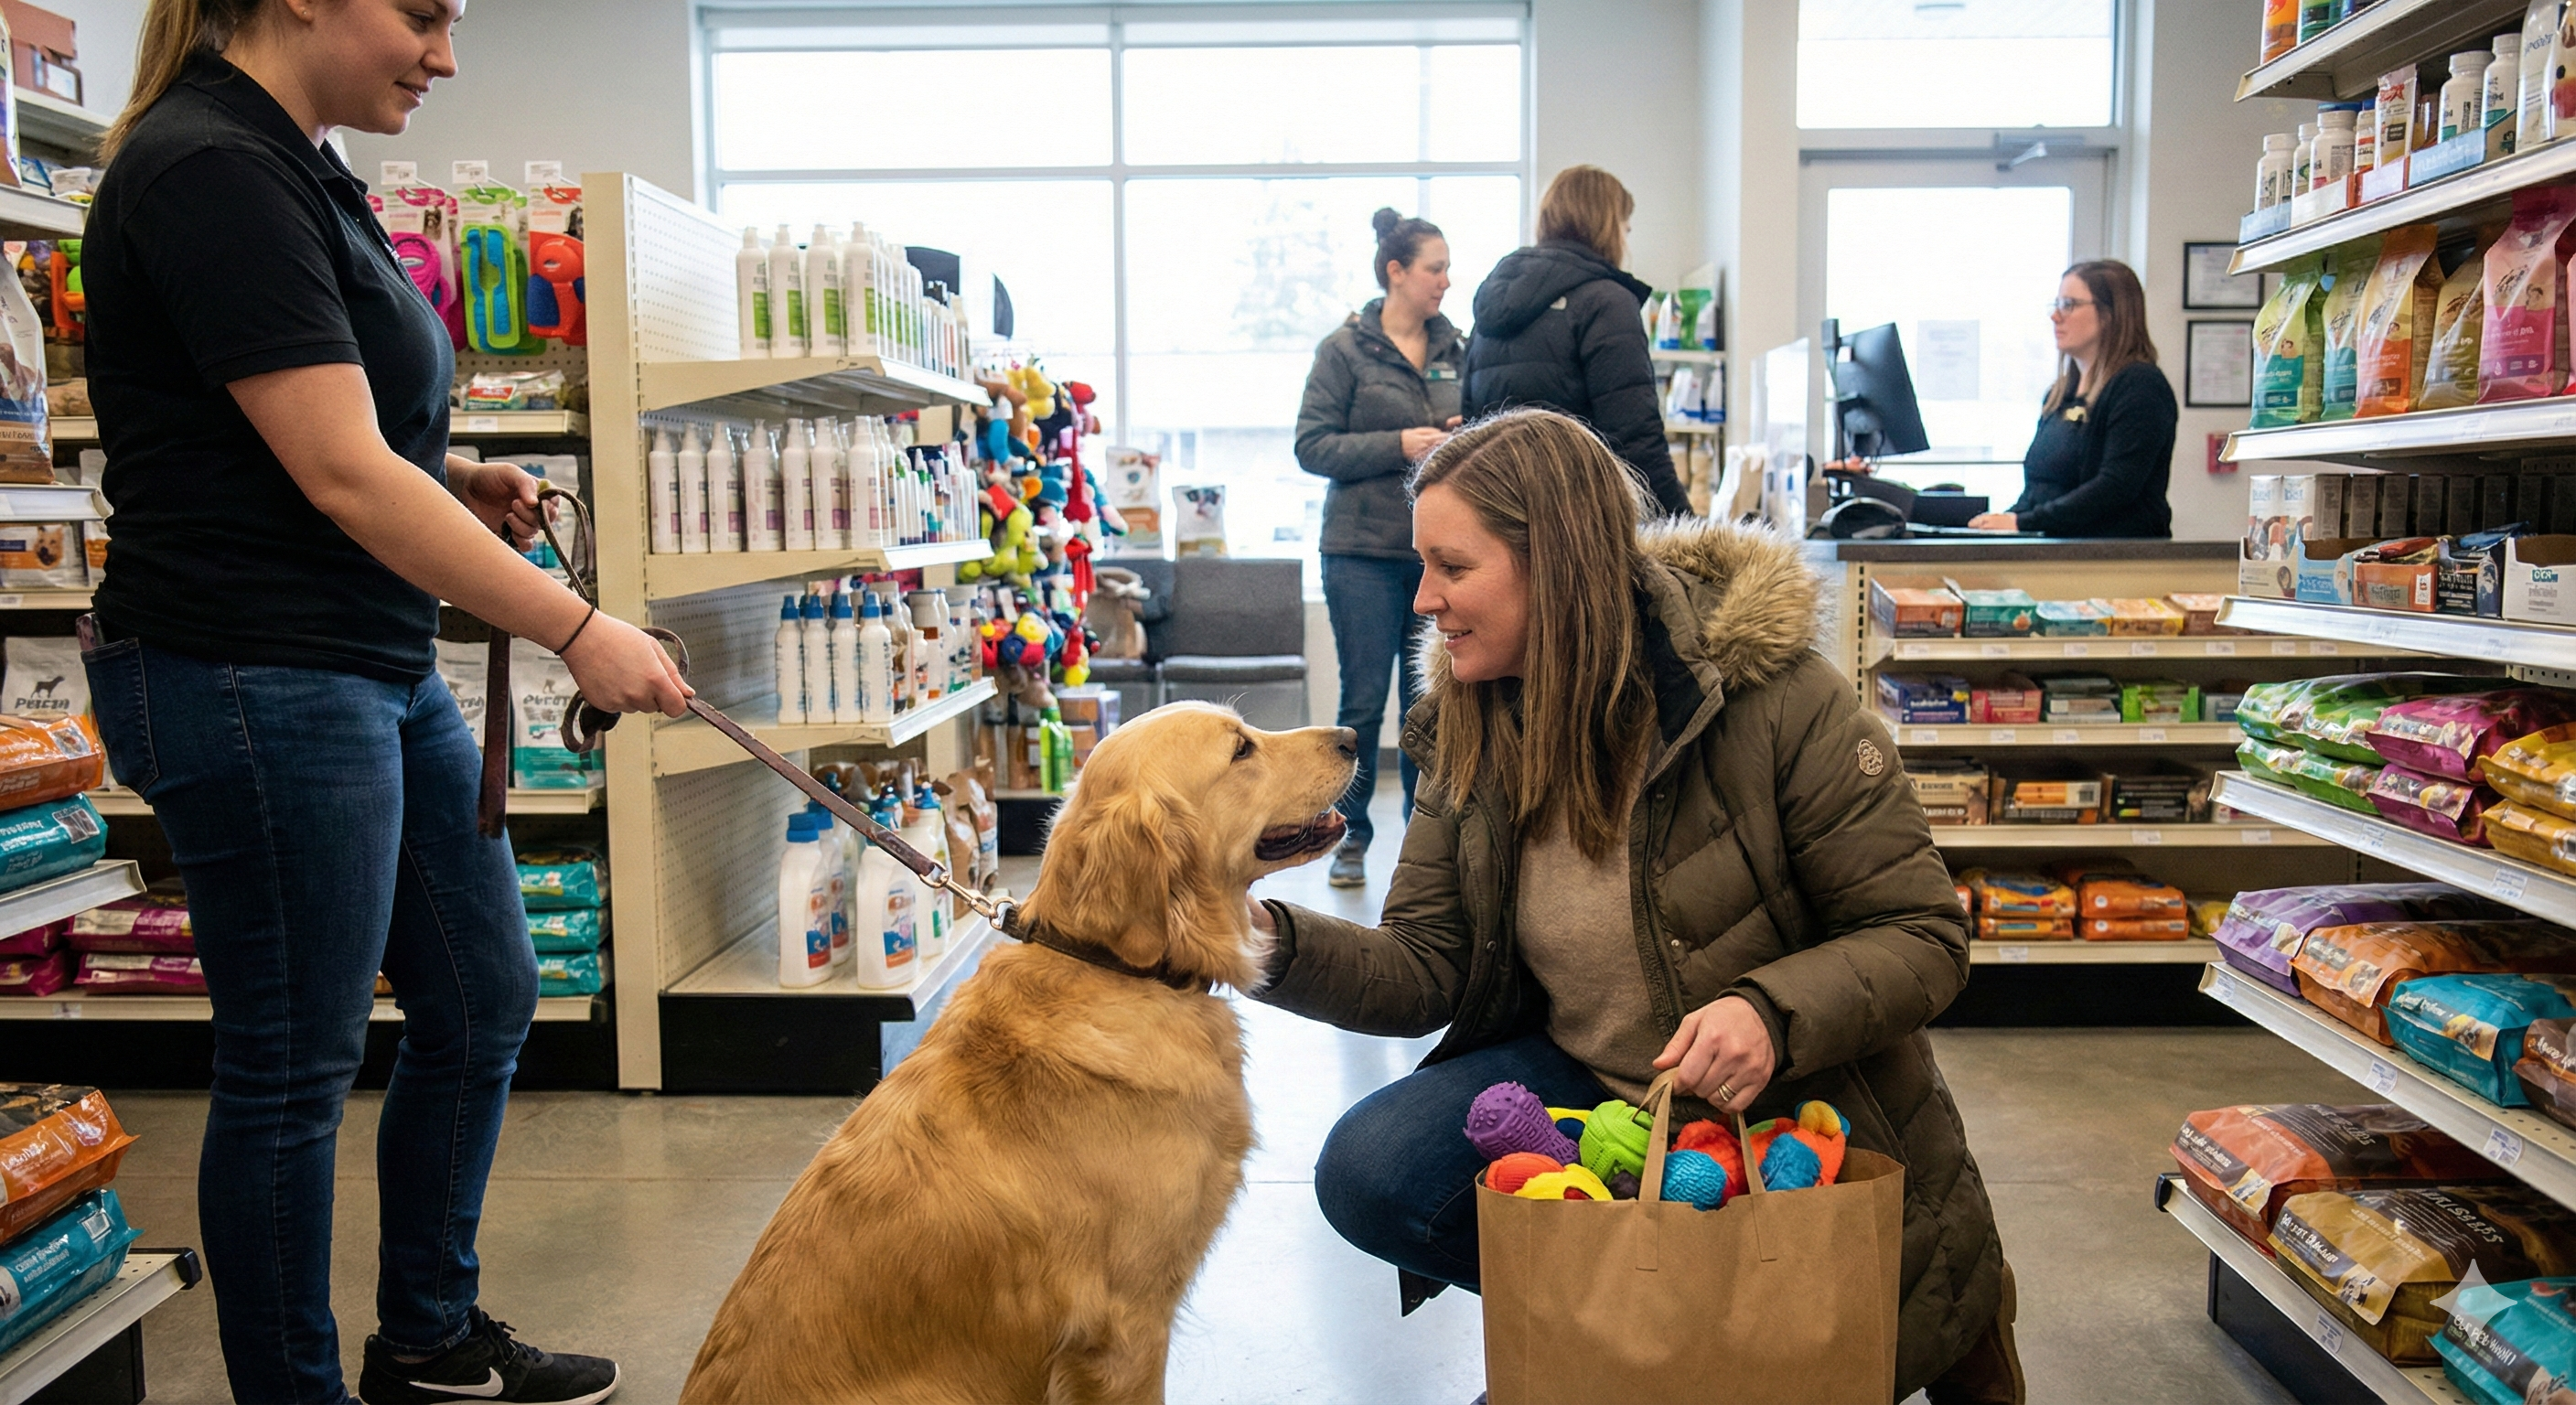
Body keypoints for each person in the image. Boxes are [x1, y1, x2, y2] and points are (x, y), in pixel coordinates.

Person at [83, 2, 689, 1401]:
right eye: (423, 14)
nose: (447, 55)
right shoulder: (209, 167)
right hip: (250, 674)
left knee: (483, 991)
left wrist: (454, 471)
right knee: (295, 1067)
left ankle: (426, 1335)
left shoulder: (301, 158)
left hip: (363, 660)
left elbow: (326, 415)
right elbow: (340, 472)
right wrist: (574, 627)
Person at [1248, 409, 2023, 1403]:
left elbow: (1921, 936)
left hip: (1785, 1103)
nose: (1424, 599)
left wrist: (1769, 1013)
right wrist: (1259, 940)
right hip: (1597, 1093)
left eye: (1452, 567)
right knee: (1374, 1170)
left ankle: (1667, 1342)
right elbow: (1426, 965)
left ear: (1556, 566)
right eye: (1421, 565)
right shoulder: (1466, 725)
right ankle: (1635, 1327)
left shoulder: (1775, 698)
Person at [1294, 208, 1463, 890]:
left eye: (1448, 269)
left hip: (1437, 555)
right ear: (1396, 272)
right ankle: (1350, 837)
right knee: (1363, 704)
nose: (1446, 281)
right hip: (1359, 554)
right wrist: (1399, 444)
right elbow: (1311, 445)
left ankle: (1425, 849)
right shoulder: (1344, 350)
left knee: (1430, 704)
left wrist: (1465, 434)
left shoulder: (1458, 348)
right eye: (1435, 268)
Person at [1460, 166, 1690, 519]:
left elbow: (1469, 431)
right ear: (1607, 224)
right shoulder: (1606, 301)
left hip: (1501, 519)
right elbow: (1635, 439)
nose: (1625, 239)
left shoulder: (1491, 305)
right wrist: (1685, 525)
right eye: (1625, 227)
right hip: (1576, 524)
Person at [1970, 259, 2176, 537]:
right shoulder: (2059, 394)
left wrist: (2024, 523)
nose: (2055, 316)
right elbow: (2039, 489)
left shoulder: (2140, 386)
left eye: (2069, 305)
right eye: (2056, 305)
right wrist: (2005, 520)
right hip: (2057, 549)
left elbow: (2115, 487)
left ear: (2110, 314)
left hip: (2113, 554)